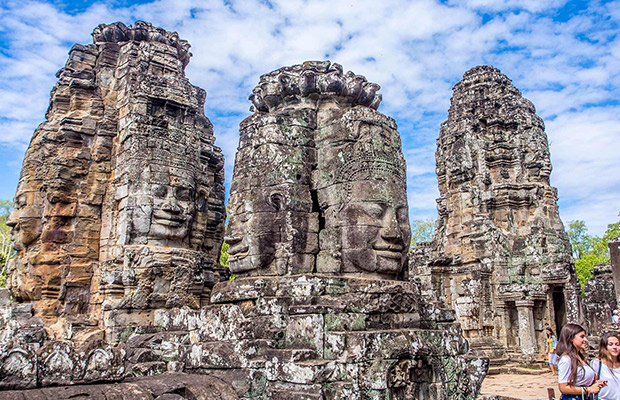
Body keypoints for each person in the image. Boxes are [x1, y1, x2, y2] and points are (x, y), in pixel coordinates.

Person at [556, 323, 606, 399]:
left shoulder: (580, 358)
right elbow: (563, 387)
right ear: (571, 338)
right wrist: (588, 389)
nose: (585, 340)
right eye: (582, 337)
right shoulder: (566, 360)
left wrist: (595, 384)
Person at [590, 332, 620, 400]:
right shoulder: (597, 364)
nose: (614, 347)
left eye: (617, 345)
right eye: (610, 344)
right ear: (605, 347)